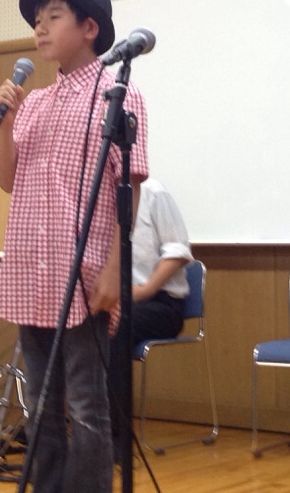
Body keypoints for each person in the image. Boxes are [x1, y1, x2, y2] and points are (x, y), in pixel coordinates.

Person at [0, 0, 149, 492]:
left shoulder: (117, 95)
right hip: (29, 272)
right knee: (39, 405)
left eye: (52, 16)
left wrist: (114, 268)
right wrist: (6, 122)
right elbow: (8, 179)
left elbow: (129, 187)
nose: (40, 27)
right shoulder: (35, 102)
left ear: (89, 28)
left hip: (81, 275)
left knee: (85, 406)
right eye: (36, 20)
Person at [109, 177, 193, 452]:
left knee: (115, 325)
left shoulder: (152, 192)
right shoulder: (93, 197)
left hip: (161, 304)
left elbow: (177, 249)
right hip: (118, 300)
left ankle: (115, 440)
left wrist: (146, 289)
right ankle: (56, 431)